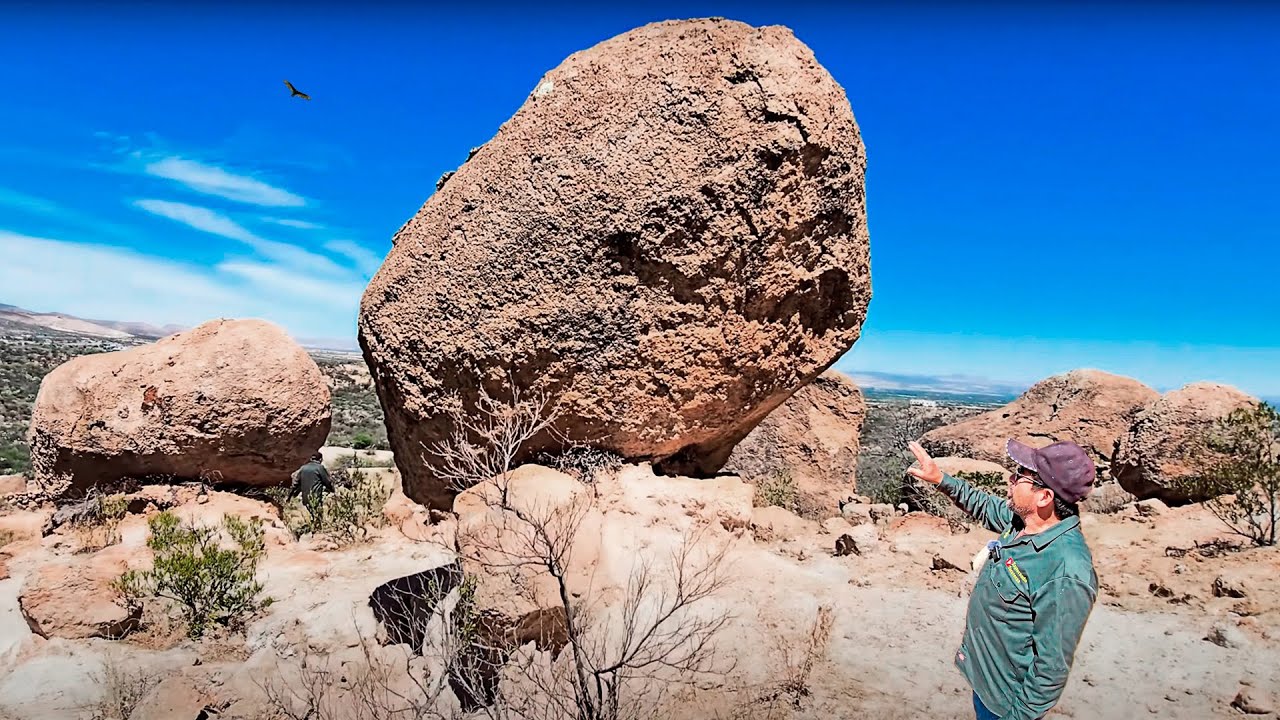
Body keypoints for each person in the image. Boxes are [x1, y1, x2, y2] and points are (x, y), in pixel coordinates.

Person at [907, 438, 1099, 720]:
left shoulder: (1066, 569)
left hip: (1006, 704)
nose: (1011, 478)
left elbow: (1051, 668)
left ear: (1044, 497)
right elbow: (983, 505)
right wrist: (940, 479)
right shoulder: (1023, 523)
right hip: (986, 683)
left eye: (1020, 475)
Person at [290, 452, 335, 522]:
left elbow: (295, 484)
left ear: (311, 459)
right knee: (318, 516)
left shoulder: (303, 468)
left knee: (309, 514)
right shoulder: (320, 468)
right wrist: (332, 490)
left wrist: (290, 496)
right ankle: (317, 528)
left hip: (305, 497)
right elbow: (327, 481)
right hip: (315, 496)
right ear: (320, 459)